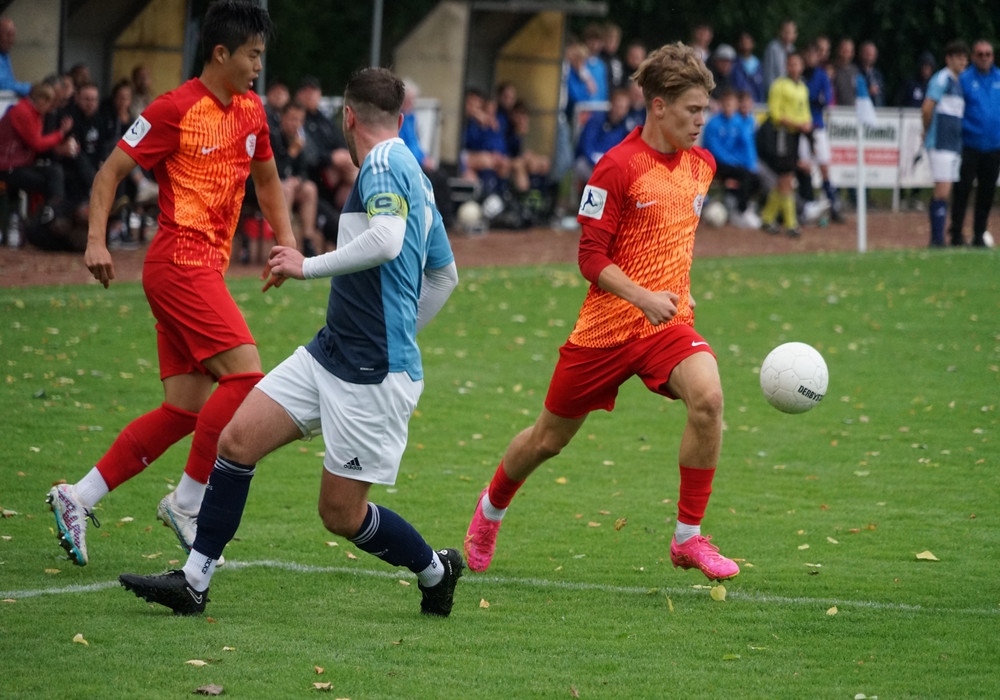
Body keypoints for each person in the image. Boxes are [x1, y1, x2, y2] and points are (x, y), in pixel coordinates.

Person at [119, 66, 464, 618]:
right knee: (236, 441)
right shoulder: (414, 175)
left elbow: (386, 239)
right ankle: (193, 582)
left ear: (347, 116)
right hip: (330, 353)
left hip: (372, 375)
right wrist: (400, 328)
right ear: (400, 118)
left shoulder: (381, 163)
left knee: (341, 515)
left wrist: (308, 266)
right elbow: (444, 276)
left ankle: (436, 570)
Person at [463, 42, 740, 583]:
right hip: (605, 332)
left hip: (666, 326)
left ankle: (687, 539)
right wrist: (643, 296)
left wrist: (678, 291)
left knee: (709, 399)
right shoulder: (616, 167)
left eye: (704, 110)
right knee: (547, 440)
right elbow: (590, 258)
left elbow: (672, 237)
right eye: (692, 110)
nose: (701, 121)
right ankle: (490, 509)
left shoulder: (702, 166)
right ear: (658, 105)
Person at [46, 0, 297, 567]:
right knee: (245, 377)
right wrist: (95, 241)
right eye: (253, 55)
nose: (259, 66)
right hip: (180, 263)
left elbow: (267, 180)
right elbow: (109, 173)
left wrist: (286, 243)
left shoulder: (253, 111)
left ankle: (77, 496)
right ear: (221, 53)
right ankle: (187, 502)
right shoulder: (173, 108)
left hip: (201, 269)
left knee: (184, 410)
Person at [0, 82, 76, 230]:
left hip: (21, 163)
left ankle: (55, 215)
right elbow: (37, 143)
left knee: (55, 171)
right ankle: (45, 224)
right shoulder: (23, 112)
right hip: (8, 165)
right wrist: (60, 134)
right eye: (49, 104)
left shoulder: (33, 113)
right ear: (41, 101)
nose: (50, 109)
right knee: (44, 183)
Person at [949, 39, 1000, 248]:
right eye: (980, 54)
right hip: (969, 144)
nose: (984, 58)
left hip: (993, 145)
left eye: (988, 54)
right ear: (973, 56)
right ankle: (956, 233)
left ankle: (979, 233)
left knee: (987, 192)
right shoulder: (964, 79)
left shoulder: (998, 77)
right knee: (962, 190)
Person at [758, 51, 811, 237]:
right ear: (786, 66)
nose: (794, 67)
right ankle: (791, 224)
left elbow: (805, 111)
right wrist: (796, 123)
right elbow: (775, 113)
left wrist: (807, 124)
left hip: (796, 136)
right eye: (791, 64)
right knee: (787, 177)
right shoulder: (779, 85)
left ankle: (767, 218)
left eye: (797, 64)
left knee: (784, 179)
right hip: (782, 134)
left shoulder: (802, 87)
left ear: (801, 66)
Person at [922, 41, 968, 247]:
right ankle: (937, 239)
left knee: (946, 190)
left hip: (953, 143)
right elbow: (927, 107)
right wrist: (927, 130)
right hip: (941, 141)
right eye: (958, 57)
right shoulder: (942, 79)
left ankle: (939, 237)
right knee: (942, 189)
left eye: (964, 58)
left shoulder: (959, 82)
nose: (962, 61)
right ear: (948, 59)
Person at [271, 100, 325, 255]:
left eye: (300, 120)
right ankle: (283, 242)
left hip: (291, 187)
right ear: (283, 117)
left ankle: (307, 241)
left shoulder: (299, 140)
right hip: (270, 188)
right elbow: (272, 172)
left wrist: (299, 180)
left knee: (310, 189)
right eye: (293, 119)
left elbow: (303, 171)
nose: (296, 124)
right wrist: (291, 153)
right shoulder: (272, 137)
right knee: (286, 189)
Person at [702, 88, 762, 228]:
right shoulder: (713, 123)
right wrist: (734, 162)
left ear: (736, 105)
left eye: (731, 104)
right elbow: (714, 149)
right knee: (744, 176)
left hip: (735, 163)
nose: (729, 107)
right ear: (722, 104)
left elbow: (746, 145)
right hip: (716, 163)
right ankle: (741, 211)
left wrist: (750, 164)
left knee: (755, 178)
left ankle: (737, 205)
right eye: (726, 104)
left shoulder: (738, 122)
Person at [295, 75, 357, 209]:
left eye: (313, 91)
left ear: (319, 94)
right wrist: (331, 158)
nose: (310, 95)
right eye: (306, 91)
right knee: (354, 174)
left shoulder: (324, 119)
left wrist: (342, 157)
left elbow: (340, 142)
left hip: (338, 174)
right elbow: (307, 154)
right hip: (314, 174)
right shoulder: (297, 119)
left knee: (353, 170)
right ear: (298, 95)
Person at [799, 41, 843, 223]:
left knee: (824, 166)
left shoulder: (822, 75)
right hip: (802, 127)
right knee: (805, 167)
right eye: (808, 55)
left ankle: (833, 204)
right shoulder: (800, 75)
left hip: (817, 126)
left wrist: (811, 99)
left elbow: (826, 99)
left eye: (814, 55)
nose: (810, 58)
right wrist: (813, 99)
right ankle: (807, 205)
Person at [573, 87, 631, 190]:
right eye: (617, 106)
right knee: (604, 180)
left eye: (623, 107)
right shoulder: (596, 120)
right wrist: (599, 164)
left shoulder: (625, 129)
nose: (619, 110)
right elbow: (586, 146)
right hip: (587, 162)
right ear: (611, 104)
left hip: (609, 167)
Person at [762, 19, 797, 94]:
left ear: (795, 35)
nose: (787, 35)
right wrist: (771, 91)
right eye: (785, 31)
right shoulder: (773, 48)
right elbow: (768, 72)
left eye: (790, 32)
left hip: (789, 91)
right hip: (775, 91)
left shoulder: (793, 49)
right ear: (779, 32)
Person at [731, 32, 765, 104]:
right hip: (739, 104)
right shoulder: (734, 64)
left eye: (748, 41)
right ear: (739, 44)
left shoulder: (759, 64)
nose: (745, 43)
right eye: (743, 41)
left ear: (753, 44)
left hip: (757, 104)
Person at [0, 18, 30, 96]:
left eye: (13, 36)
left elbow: (10, 82)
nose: (11, 40)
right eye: (8, 35)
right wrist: (29, 89)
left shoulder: (5, 54)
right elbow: (3, 85)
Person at [856, 41, 886, 107]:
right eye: (867, 53)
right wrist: (867, 92)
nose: (869, 56)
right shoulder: (855, 72)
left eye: (872, 54)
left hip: (878, 109)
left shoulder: (878, 75)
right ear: (861, 54)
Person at [832, 38, 858, 107]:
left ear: (852, 53)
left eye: (848, 51)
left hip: (853, 110)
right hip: (836, 110)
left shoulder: (856, 71)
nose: (845, 53)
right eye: (843, 50)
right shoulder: (831, 70)